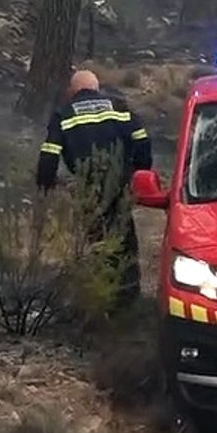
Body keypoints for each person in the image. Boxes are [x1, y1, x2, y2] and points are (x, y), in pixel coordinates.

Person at [37, 70, 152, 310]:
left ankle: (105, 297)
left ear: (73, 90)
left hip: (88, 187)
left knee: (98, 239)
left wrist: (45, 183)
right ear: (96, 88)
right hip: (120, 184)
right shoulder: (119, 106)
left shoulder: (63, 113)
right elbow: (141, 138)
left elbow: (49, 154)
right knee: (125, 237)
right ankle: (130, 296)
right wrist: (139, 172)